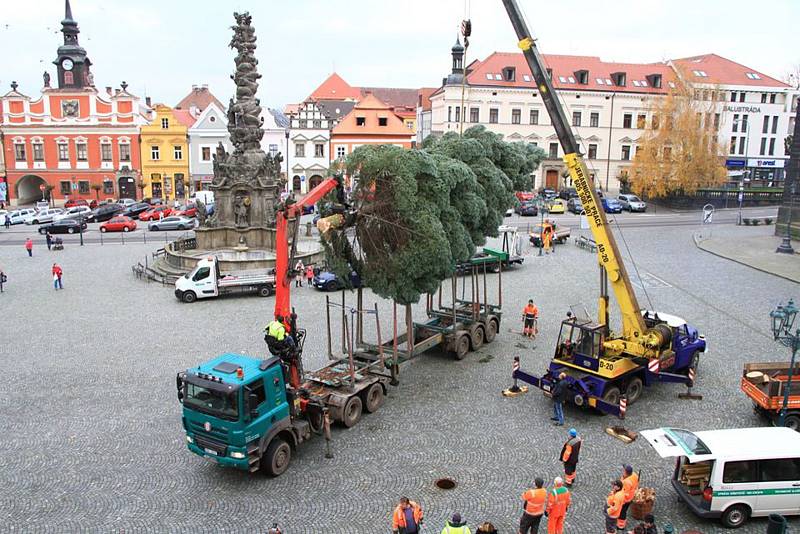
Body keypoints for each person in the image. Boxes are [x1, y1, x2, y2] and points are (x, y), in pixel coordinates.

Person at [619, 465, 640, 531]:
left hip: (626, 500)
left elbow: (625, 493)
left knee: (622, 512)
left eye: (624, 470)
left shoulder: (626, 482)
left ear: (626, 472)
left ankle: (621, 525)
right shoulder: (634, 475)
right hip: (631, 496)